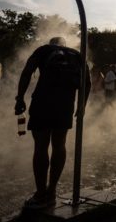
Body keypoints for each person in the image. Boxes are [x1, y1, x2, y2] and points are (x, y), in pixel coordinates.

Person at [14, 36, 91, 210]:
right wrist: (82, 105)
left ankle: (41, 193)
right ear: (64, 44)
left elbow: (27, 72)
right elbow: (87, 81)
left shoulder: (43, 50)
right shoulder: (77, 55)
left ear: (51, 43)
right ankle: (51, 190)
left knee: (41, 147)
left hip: (42, 102)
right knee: (59, 145)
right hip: (65, 105)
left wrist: (20, 98)